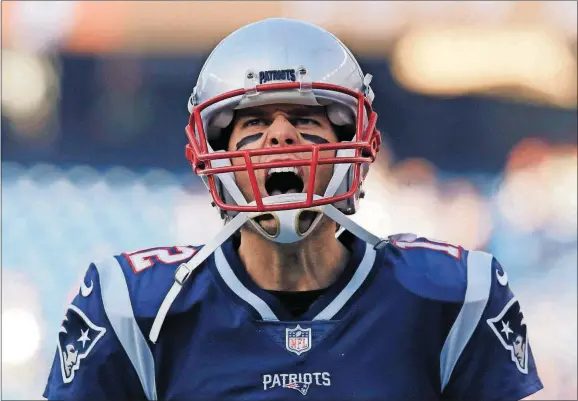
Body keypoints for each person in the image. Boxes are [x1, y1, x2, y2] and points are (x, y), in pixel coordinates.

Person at [44, 18, 543, 400]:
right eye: (255, 122)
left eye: (306, 118)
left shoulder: (452, 297)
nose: (281, 136)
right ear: (214, 154)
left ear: (355, 145)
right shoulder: (135, 308)